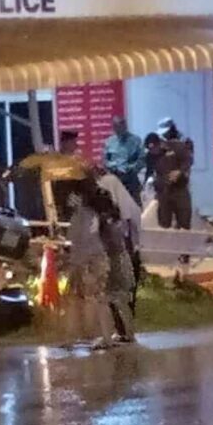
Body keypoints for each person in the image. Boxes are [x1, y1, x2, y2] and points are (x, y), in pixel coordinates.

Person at [61, 164, 117, 351]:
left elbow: (76, 237)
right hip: (97, 256)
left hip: (84, 259)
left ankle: (89, 336)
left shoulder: (82, 212)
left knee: (82, 299)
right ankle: (102, 336)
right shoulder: (97, 207)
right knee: (95, 298)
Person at [97, 168, 142, 319]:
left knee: (119, 293)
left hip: (121, 256)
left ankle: (123, 328)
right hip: (124, 255)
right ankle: (123, 327)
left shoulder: (116, 215)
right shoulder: (126, 207)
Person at [154, 122, 193, 231]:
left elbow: (188, 160)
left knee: (184, 221)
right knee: (164, 223)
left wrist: (179, 172)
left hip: (179, 188)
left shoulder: (180, 145)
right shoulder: (156, 147)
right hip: (163, 189)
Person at [103, 116, 145, 205]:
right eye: (115, 126)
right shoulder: (109, 142)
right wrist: (113, 166)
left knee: (135, 208)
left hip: (131, 179)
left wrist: (131, 168)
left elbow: (142, 159)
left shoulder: (135, 140)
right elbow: (105, 161)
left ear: (125, 126)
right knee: (116, 208)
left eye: (121, 126)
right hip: (115, 179)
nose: (118, 129)